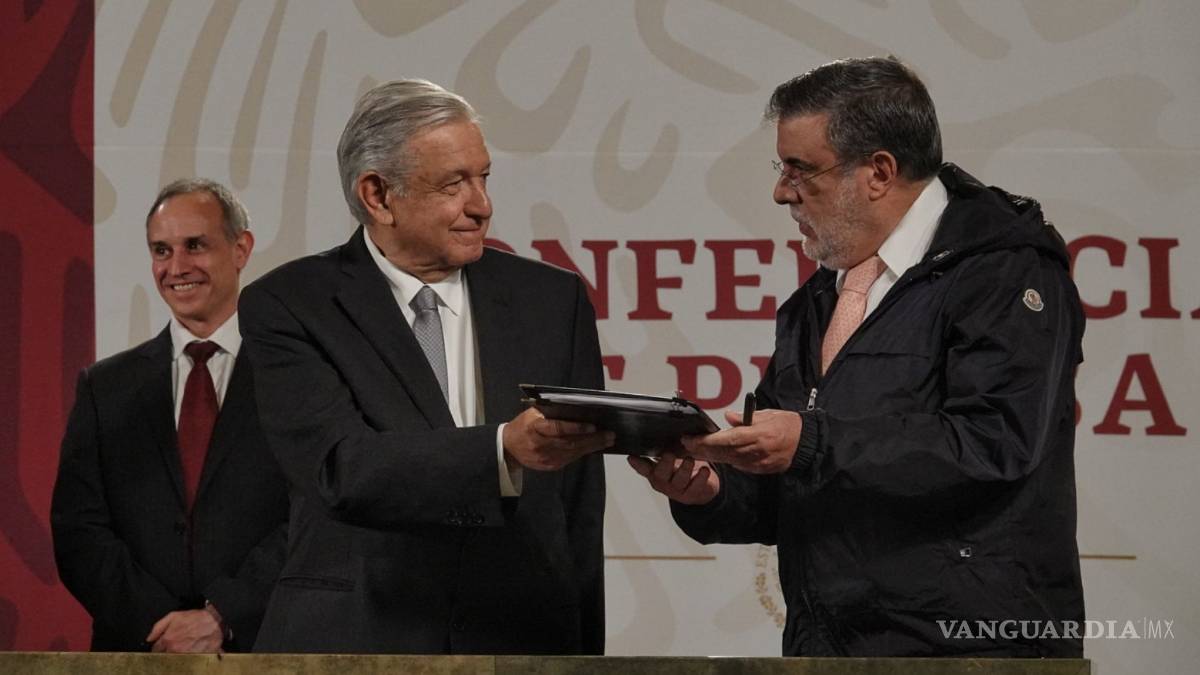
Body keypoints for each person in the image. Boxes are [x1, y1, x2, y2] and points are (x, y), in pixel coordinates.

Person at [631, 56, 1086, 657]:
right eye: (781, 167)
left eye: (800, 169)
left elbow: (995, 442)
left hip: (969, 653)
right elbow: (795, 486)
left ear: (878, 172)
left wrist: (810, 442)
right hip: (831, 650)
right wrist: (713, 491)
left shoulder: (1006, 272)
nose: (781, 191)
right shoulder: (821, 298)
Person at [239, 79, 611, 654]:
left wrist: (585, 661)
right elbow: (339, 467)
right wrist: (502, 449)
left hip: (520, 638)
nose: (481, 205)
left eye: (484, 177)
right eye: (453, 184)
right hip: (358, 640)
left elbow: (579, 510)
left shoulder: (553, 301)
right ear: (378, 196)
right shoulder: (290, 304)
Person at [51, 179, 289, 652]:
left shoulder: (296, 376)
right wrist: (162, 627)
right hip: (139, 652)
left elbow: (313, 516)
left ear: (241, 249)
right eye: (162, 250)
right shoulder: (105, 387)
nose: (176, 267)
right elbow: (79, 531)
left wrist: (224, 615)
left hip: (262, 649)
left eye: (195, 245)